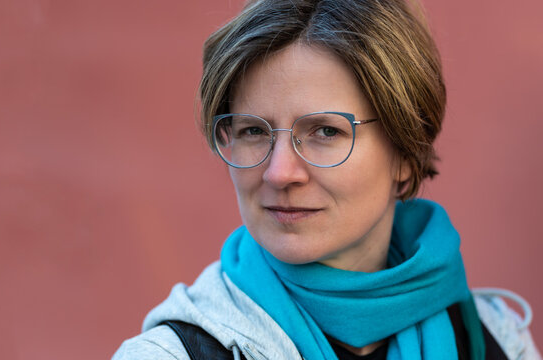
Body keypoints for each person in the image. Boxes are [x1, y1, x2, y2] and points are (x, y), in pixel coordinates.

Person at [113, 0, 540, 359]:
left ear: (406, 154)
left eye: (326, 132)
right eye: (253, 130)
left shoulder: (496, 340)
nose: (279, 173)